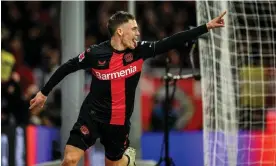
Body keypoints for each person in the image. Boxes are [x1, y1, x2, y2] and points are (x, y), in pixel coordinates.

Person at [29, 10, 226, 166]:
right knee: (70, 160)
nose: (138, 34)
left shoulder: (140, 51)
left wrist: (205, 27)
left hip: (118, 122)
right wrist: (43, 92)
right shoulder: (96, 54)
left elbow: (171, 41)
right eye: (134, 29)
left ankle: (127, 159)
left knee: (114, 164)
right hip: (92, 115)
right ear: (120, 32)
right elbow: (66, 67)